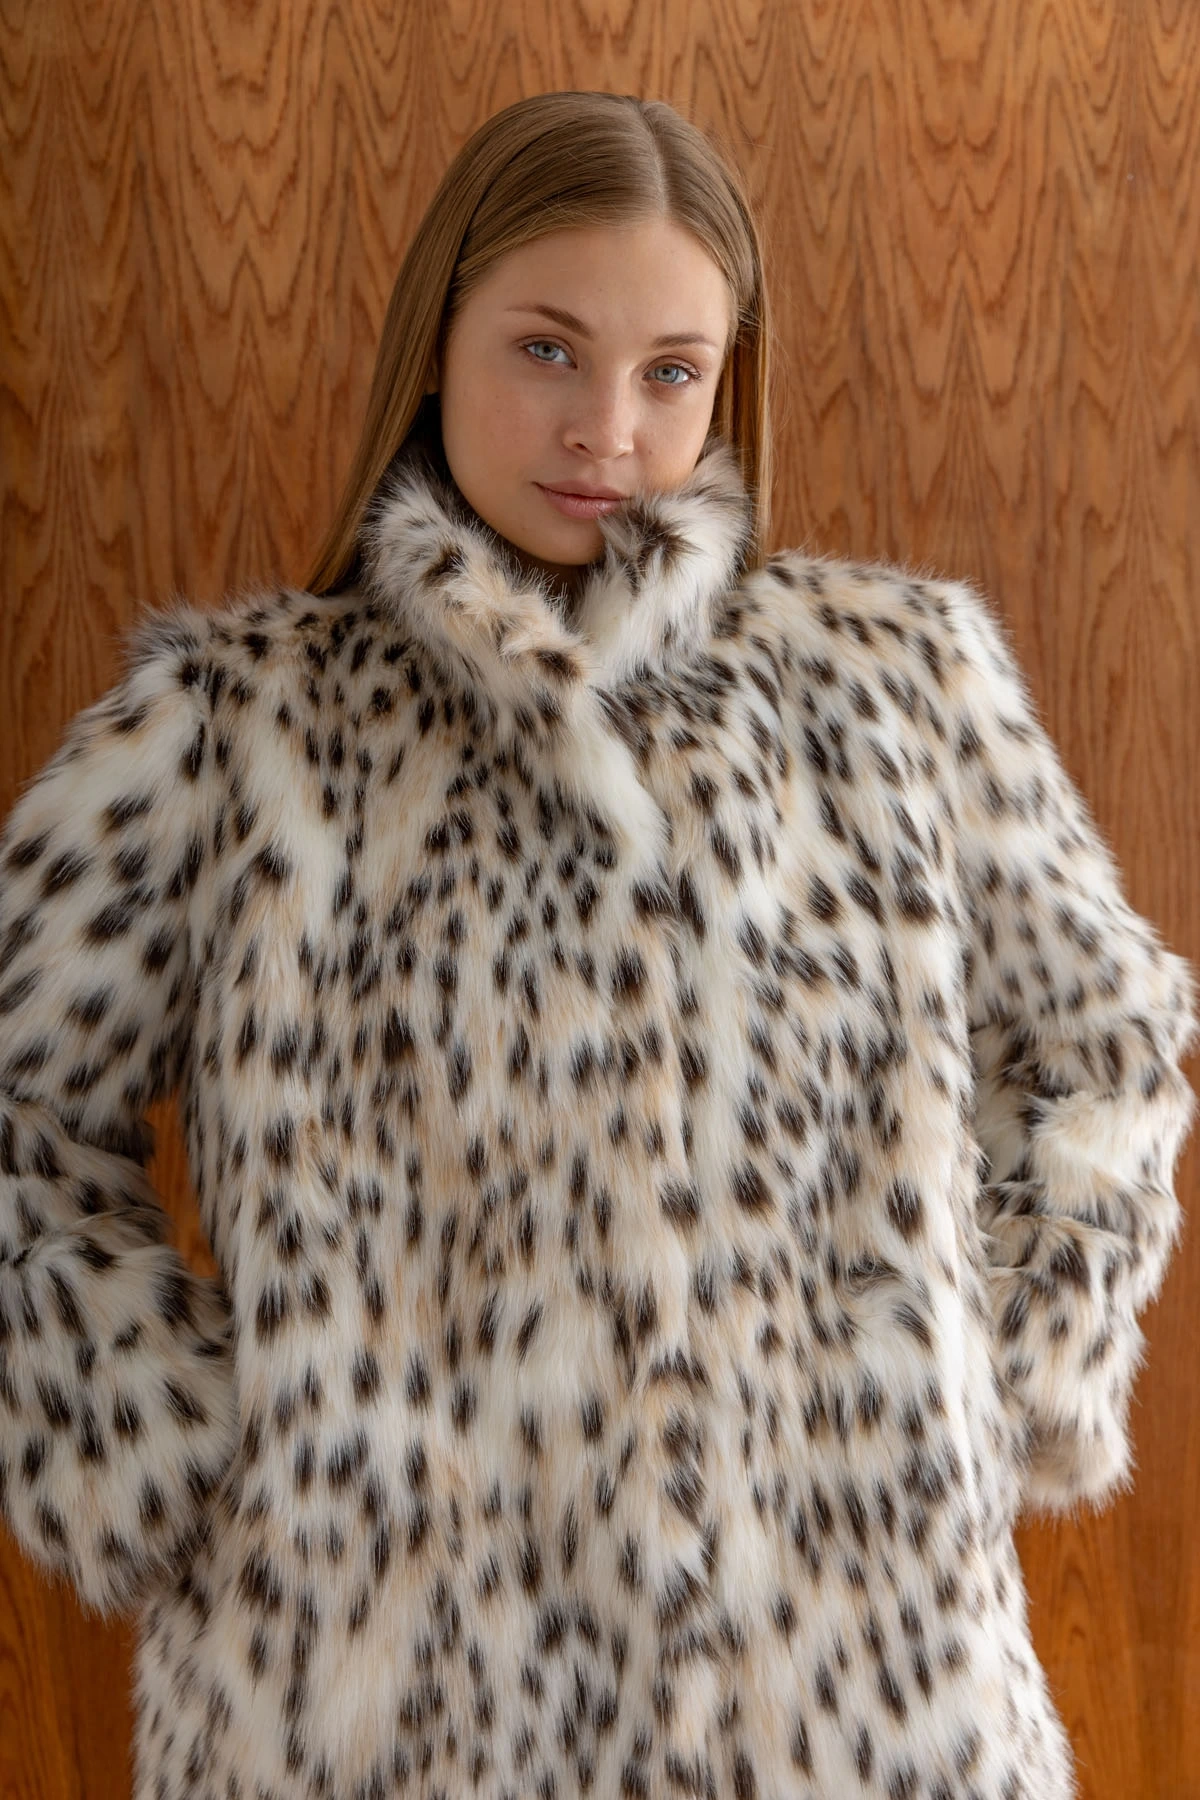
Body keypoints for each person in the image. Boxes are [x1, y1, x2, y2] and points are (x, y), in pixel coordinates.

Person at [0, 88, 1194, 1800]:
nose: (608, 430)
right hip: (383, 1708)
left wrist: (988, 1380)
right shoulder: (228, 730)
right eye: (547, 350)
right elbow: (23, 1117)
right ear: (438, 343)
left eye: (672, 371)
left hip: (844, 1700)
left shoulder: (897, 685)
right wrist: (171, 1460)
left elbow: (1113, 1045)